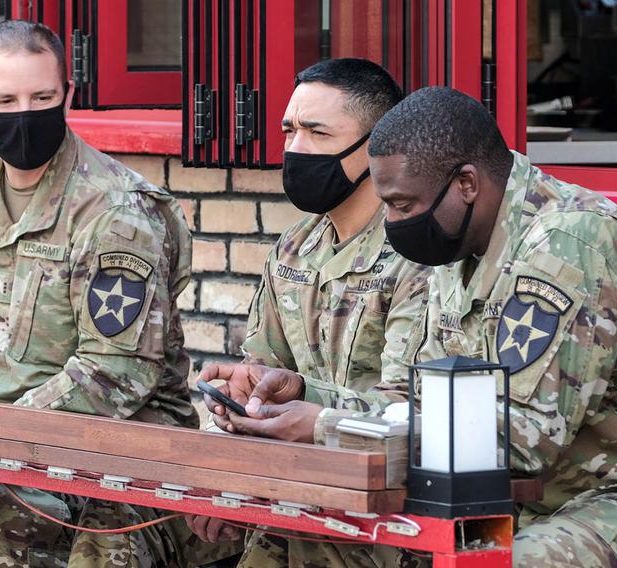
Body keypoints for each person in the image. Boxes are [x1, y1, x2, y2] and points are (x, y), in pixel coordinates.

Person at [361, 86, 617, 566]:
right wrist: (308, 404)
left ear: (466, 184)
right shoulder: (456, 241)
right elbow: (407, 400)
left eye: (402, 205)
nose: (390, 221)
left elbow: (523, 441)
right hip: (556, 499)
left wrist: (334, 426)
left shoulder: (569, 246)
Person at [0, 19, 214, 567]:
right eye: (5, 100)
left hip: (115, 440)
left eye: (42, 97)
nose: (24, 114)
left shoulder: (115, 211)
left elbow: (115, 375)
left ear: (69, 96)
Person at [189, 58, 431, 567]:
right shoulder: (295, 247)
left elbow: (407, 416)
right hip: (293, 500)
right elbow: (263, 368)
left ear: (377, 148)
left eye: (317, 133)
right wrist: (238, 404)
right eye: (289, 130)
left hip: (387, 517)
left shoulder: (418, 253)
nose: (296, 149)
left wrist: (307, 407)